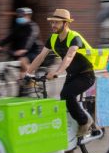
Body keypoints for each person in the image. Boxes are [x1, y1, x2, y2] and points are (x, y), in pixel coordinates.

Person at [26, 9, 95, 138]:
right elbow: (40, 57)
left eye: (56, 23)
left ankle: (85, 122)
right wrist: (27, 73)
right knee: (64, 102)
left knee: (67, 94)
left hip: (86, 74)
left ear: (65, 23)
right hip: (72, 74)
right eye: (52, 22)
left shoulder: (74, 37)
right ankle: (72, 136)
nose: (53, 25)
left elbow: (69, 56)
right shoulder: (53, 39)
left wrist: (57, 72)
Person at [0, 7, 42, 77]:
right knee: (21, 75)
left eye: (22, 15)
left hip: (33, 51)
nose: (20, 17)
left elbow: (31, 38)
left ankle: (32, 78)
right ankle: (23, 85)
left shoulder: (32, 27)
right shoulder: (18, 27)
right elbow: (9, 37)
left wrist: (24, 49)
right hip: (22, 52)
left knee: (23, 61)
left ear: (28, 16)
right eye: (19, 15)